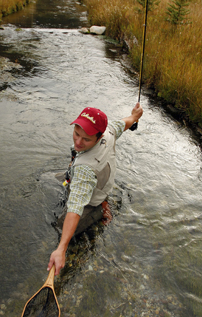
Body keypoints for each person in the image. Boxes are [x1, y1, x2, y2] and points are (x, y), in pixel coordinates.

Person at [47, 102, 143, 275]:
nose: (78, 141)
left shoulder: (85, 171)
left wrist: (61, 249)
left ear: (99, 137)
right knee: (47, 178)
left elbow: (75, 208)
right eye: (76, 134)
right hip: (97, 179)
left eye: (86, 139)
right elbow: (126, 122)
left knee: (61, 228)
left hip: (92, 196)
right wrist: (135, 115)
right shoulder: (110, 130)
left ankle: (100, 209)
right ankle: (102, 202)